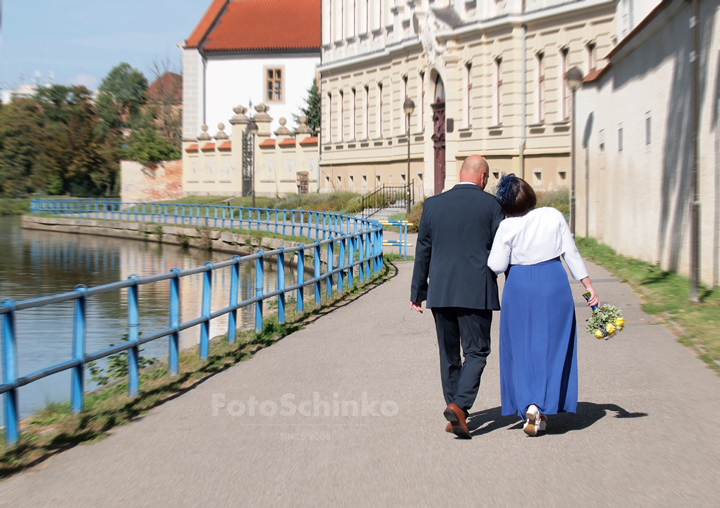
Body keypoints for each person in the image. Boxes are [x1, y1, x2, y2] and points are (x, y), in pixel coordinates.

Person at [487, 174, 600, 436]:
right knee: (553, 345)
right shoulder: (553, 215)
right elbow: (571, 253)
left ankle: (530, 403)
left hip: (519, 286)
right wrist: (588, 287)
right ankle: (542, 405)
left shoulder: (507, 226)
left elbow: (497, 266)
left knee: (522, 347)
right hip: (553, 282)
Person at [410, 155, 504, 439]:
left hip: (441, 290)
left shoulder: (433, 204)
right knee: (476, 352)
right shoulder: (492, 205)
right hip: (477, 290)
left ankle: (455, 412)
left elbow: (423, 249)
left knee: (449, 354)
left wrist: (417, 292)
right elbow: (502, 249)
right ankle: (459, 406)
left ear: (460, 173)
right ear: (483, 177)